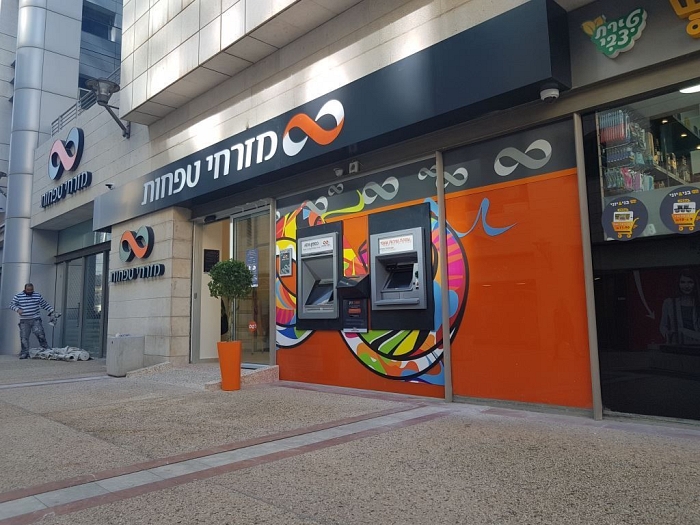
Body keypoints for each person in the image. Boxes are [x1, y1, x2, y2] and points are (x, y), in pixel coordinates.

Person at [9, 283, 55, 359]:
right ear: (25, 289)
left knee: (40, 334)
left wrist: (51, 310)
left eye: (31, 290)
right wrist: (17, 309)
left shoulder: (37, 295)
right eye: (28, 290)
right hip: (24, 320)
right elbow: (11, 305)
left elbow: (44, 304)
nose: (30, 291)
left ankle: (46, 348)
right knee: (24, 337)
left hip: (35, 318)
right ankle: (24, 353)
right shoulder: (18, 296)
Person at [659, 269, 700, 345]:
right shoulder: (668, 302)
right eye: (683, 282)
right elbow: (663, 326)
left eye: (690, 282)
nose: (686, 286)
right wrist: (668, 335)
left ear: (695, 283)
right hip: (677, 344)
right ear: (678, 283)